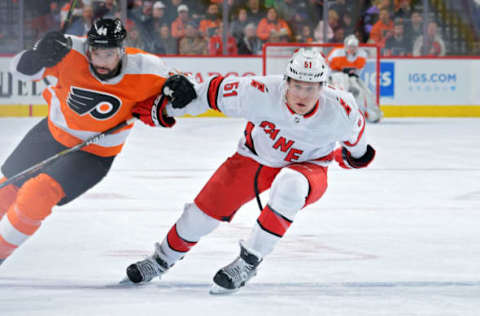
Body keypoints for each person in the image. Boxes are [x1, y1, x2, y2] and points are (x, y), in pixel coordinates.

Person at [124, 48, 376, 294]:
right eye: (297, 85)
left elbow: (358, 148)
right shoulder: (259, 91)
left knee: (291, 185)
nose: (302, 95)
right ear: (286, 81)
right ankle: (161, 259)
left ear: (322, 87)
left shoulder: (342, 110)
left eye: (310, 88)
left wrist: (351, 158)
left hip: (309, 168)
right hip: (254, 158)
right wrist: (164, 109)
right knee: (199, 215)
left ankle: (248, 263)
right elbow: (208, 94)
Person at [0, 18, 182, 265]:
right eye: (95, 53)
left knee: (37, 194)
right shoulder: (68, 50)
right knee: (6, 188)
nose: (101, 61)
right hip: (51, 133)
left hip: (94, 154)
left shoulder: (147, 69)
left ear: (121, 50)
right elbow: (19, 69)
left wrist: (181, 90)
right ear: (88, 48)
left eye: (108, 54)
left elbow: (181, 90)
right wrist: (39, 55)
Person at [327, 34, 383, 122]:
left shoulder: (362, 55)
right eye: (350, 47)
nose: (352, 49)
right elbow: (327, 67)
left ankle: (374, 114)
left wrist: (353, 76)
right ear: (346, 46)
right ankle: (337, 114)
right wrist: (328, 79)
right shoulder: (336, 53)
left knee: (364, 91)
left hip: (351, 77)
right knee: (341, 91)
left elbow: (358, 71)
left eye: (354, 47)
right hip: (336, 77)